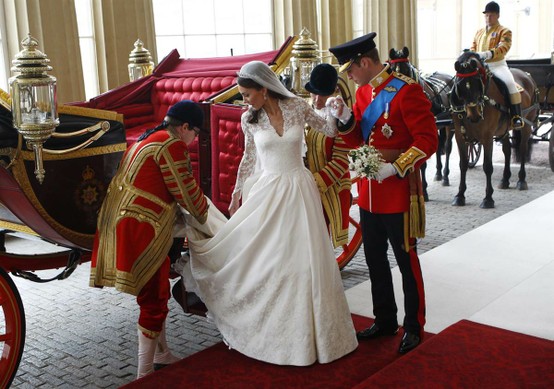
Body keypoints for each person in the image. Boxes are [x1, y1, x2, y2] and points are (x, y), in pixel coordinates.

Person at [179, 60, 358, 366]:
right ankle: (274, 327)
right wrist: (237, 191)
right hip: (268, 190)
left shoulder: (298, 107)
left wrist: (339, 112)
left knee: (305, 261)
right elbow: (249, 158)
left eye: (247, 94)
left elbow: (328, 129)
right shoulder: (249, 119)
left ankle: (315, 335)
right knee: (271, 260)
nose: (244, 100)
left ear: (264, 89)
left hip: (300, 189)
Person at [328, 32, 438, 354]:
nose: (348, 76)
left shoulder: (407, 92)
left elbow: (428, 139)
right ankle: (385, 319)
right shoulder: (362, 94)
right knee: (375, 260)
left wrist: (398, 167)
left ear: (364, 62)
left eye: (350, 68)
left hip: (399, 193)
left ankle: (414, 326)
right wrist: (346, 120)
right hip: (369, 193)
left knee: (406, 263)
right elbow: (358, 143)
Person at [89, 100, 209, 379]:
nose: (194, 140)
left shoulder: (149, 138)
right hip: (143, 227)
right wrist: (210, 219)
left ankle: (161, 355)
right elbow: (188, 194)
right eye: (196, 133)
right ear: (185, 127)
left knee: (155, 294)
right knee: (154, 298)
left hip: (122, 221)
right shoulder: (172, 145)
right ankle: (144, 376)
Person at [304, 63, 352, 248]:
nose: (316, 99)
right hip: (307, 181)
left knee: (320, 235)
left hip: (331, 185)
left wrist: (315, 182)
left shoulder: (340, 117)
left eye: (321, 94)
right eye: (313, 93)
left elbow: (341, 161)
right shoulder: (309, 111)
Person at [471, 1, 523, 128]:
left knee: (510, 84)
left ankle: (516, 116)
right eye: (486, 15)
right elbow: (473, 46)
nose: (488, 18)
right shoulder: (479, 32)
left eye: (491, 15)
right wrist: (472, 55)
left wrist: (487, 54)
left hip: (497, 65)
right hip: (481, 66)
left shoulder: (505, 31)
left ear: (498, 16)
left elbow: (504, 47)